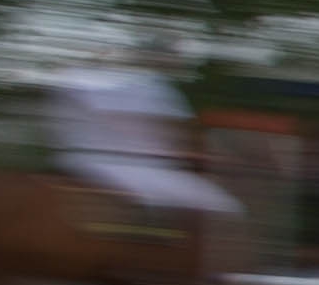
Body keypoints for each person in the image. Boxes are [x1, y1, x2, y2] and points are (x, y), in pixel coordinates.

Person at [42, 39, 240, 232]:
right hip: (131, 166)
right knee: (224, 205)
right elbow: (168, 131)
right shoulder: (150, 85)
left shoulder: (95, 81)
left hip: (75, 160)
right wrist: (206, 155)